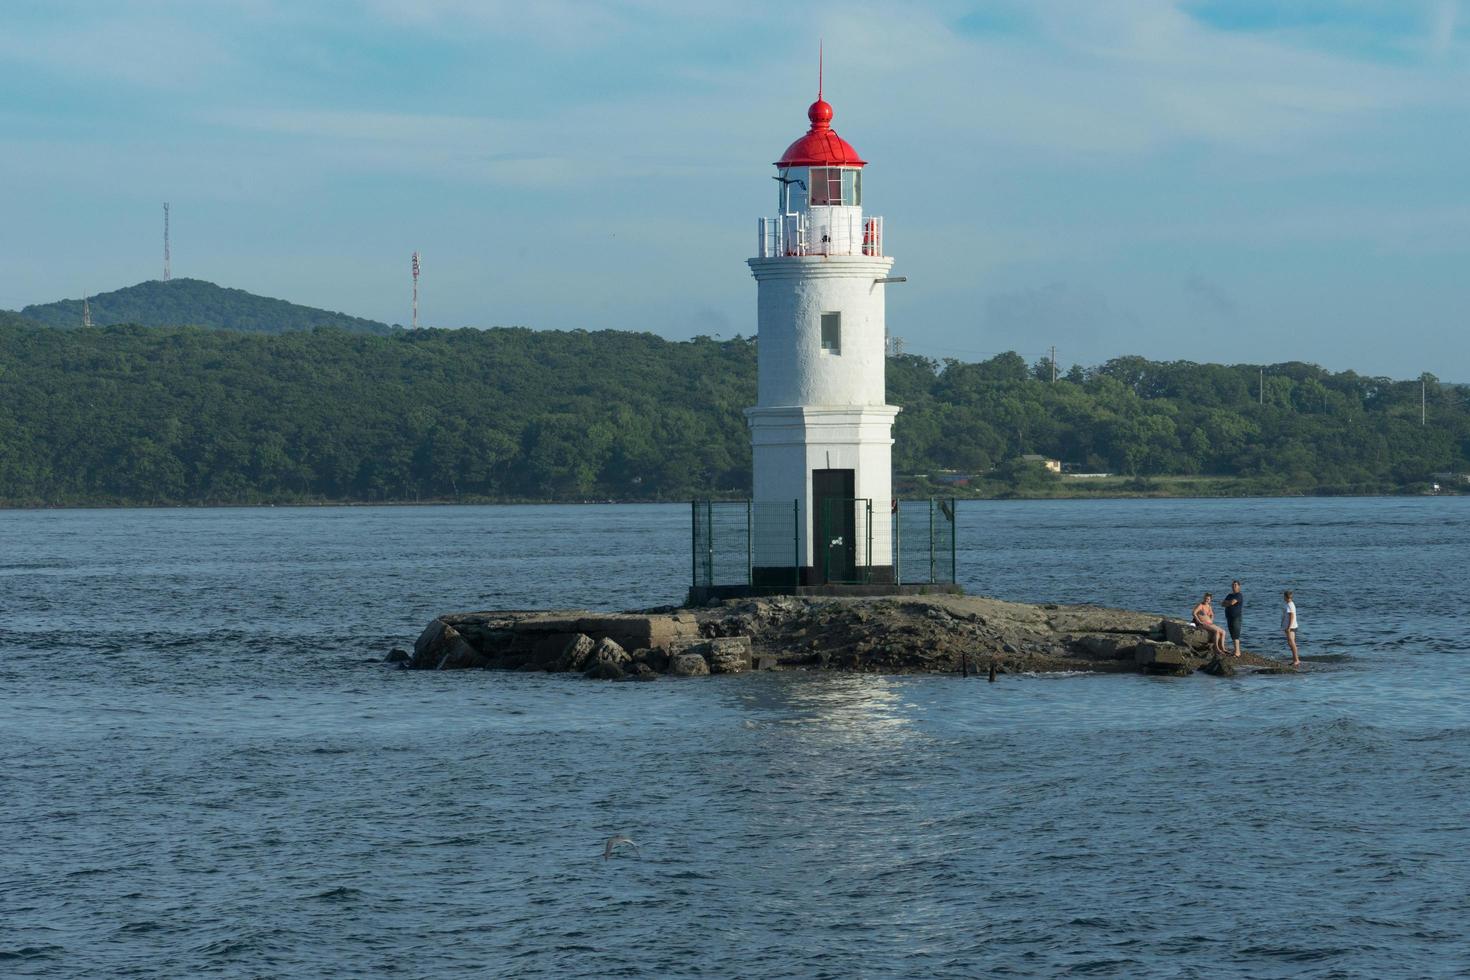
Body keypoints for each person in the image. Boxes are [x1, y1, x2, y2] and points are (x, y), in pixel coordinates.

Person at [1222, 580, 1244, 657]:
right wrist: (1228, 603)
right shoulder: (1230, 595)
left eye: (1235, 585)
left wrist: (1228, 603)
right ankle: (1235, 651)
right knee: (1232, 634)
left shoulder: (1239, 595)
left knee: (1236, 634)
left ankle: (1238, 652)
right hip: (1229, 616)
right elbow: (1222, 604)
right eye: (1233, 585)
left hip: (1236, 617)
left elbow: (1232, 603)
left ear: (1239, 586)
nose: (1234, 586)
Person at [1281, 590, 1300, 667]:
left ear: (1286, 597)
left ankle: (1296, 660)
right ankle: (1295, 659)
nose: (1283, 598)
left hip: (1291, 627)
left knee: (1292, 643)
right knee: (1291, 643)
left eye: (1284, 596)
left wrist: (1289, 627)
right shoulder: (1290, 604)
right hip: (1291, 626)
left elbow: (1291, 616)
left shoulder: (1289, 605)